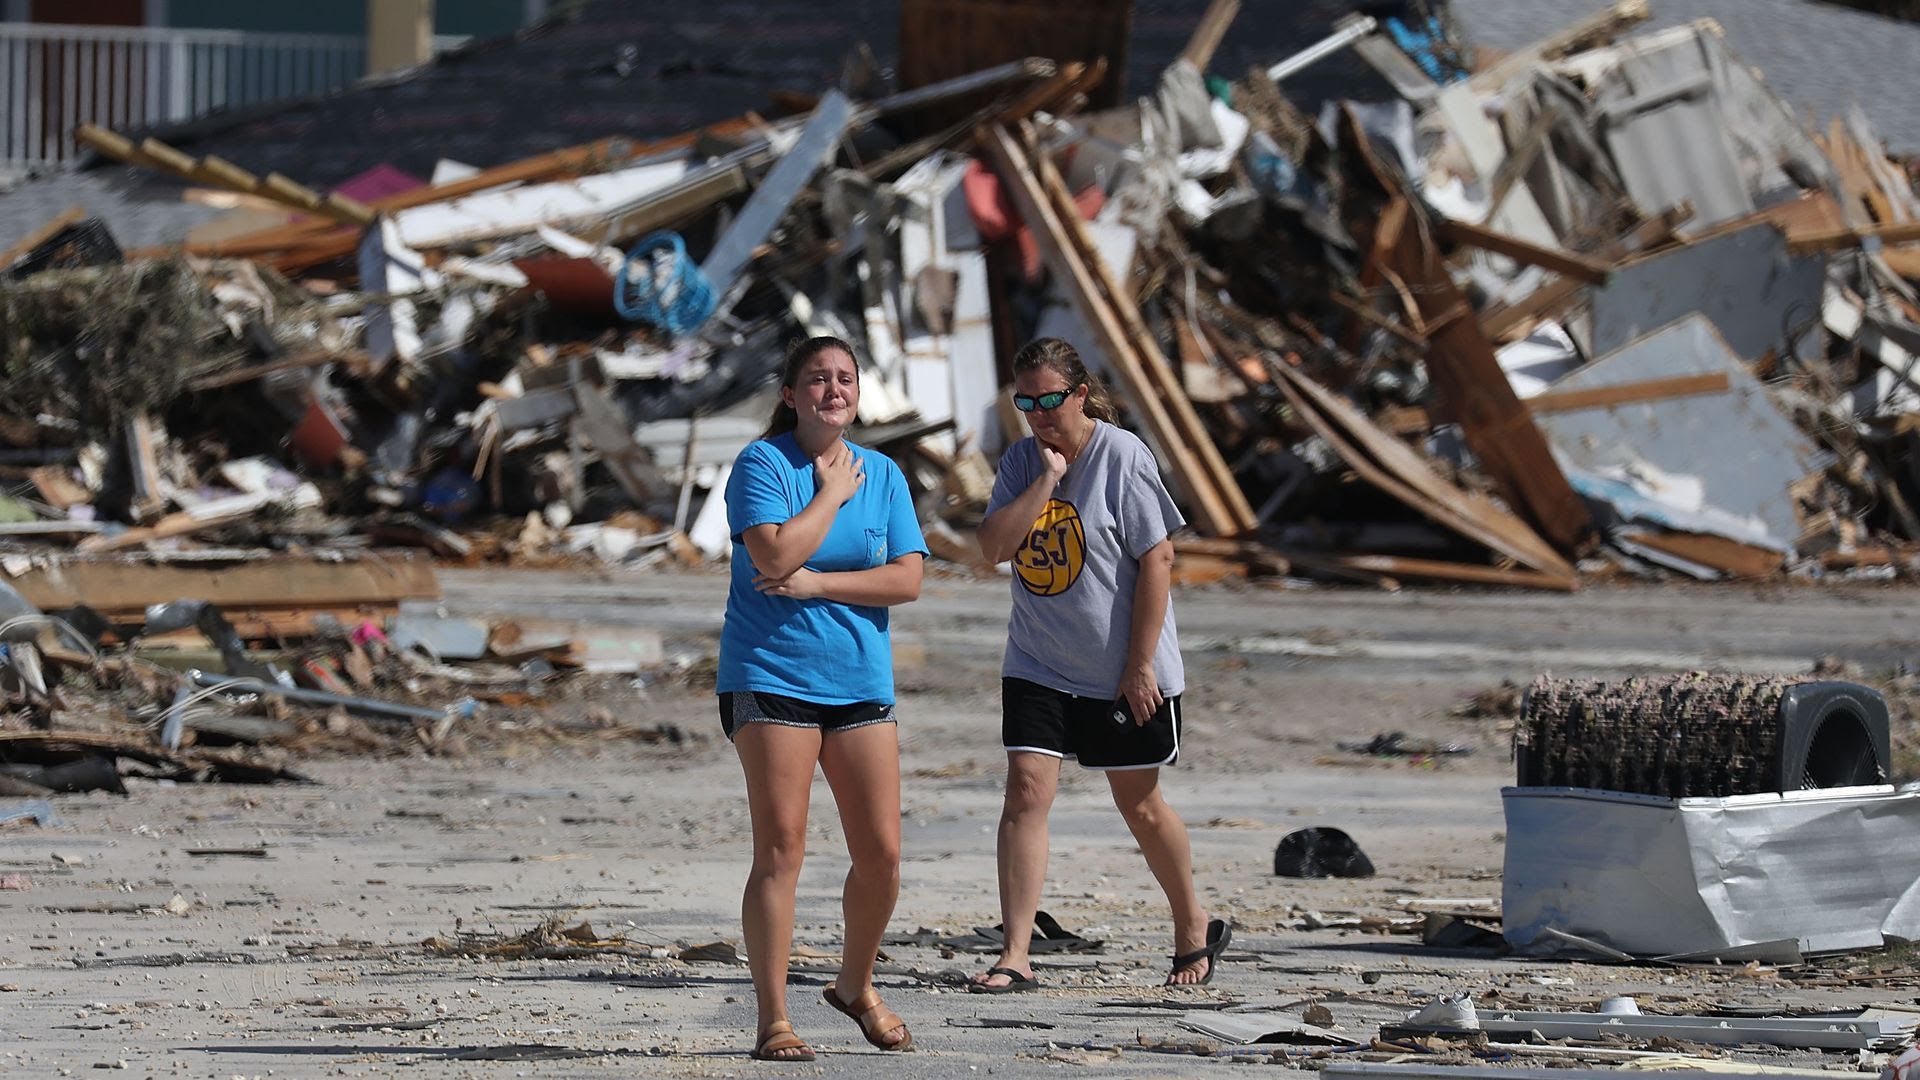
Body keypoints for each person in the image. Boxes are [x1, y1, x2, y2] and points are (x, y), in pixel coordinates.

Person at [968, 337, 1229, 995]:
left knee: (1138, 804)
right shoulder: (1022, 461)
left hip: (1120, 668)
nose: (1038, 414)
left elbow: (1158, 560)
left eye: (1050, 399)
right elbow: (995, 547)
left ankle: (1190, 923)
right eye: (1025, 402)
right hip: (1037, 661)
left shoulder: (1124, 456)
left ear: (1080, 393)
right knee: (1026, 791)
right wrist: (1047, 479)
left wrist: (1140, 666)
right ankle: (1017, 953)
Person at [717, 336, 928, 1061]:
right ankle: (774, 1018)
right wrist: (831, 493)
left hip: (860, 682)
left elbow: (907, 579)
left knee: (883, 856)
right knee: (781, 848)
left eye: (844, 378)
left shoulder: (888, 473)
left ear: (858, 392)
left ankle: (854, 986)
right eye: (817, 379)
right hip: (770, 674)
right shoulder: (762, 464)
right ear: (790, 394)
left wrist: (821, 584)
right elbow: (773, 554)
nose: (833, 390)